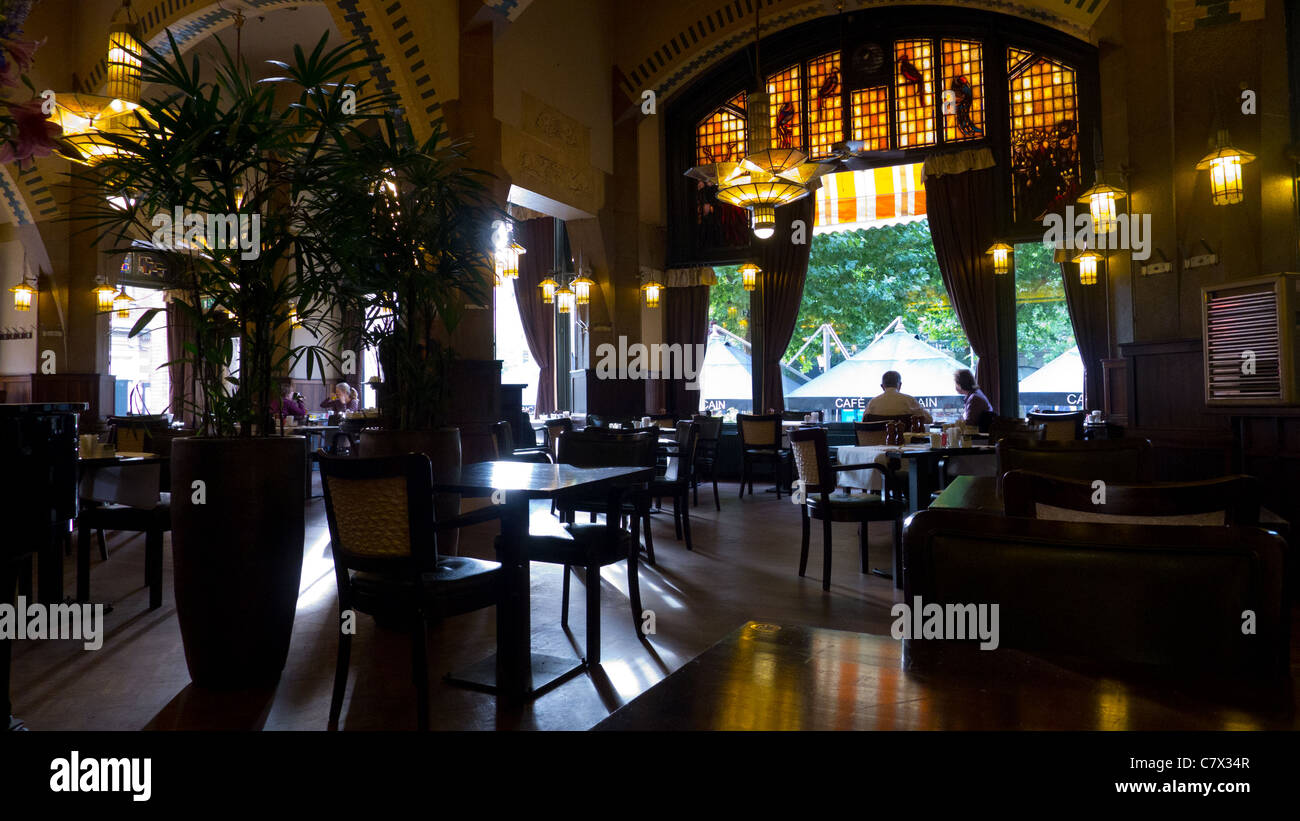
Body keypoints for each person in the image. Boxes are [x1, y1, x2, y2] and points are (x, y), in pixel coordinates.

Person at [865, 370, 932, 423]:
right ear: (899, 385)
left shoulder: (872, 403)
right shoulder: (909, 401)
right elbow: (929, 419)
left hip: (877, 440)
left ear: (882, 386)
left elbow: (864, 422)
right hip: (905, 440)